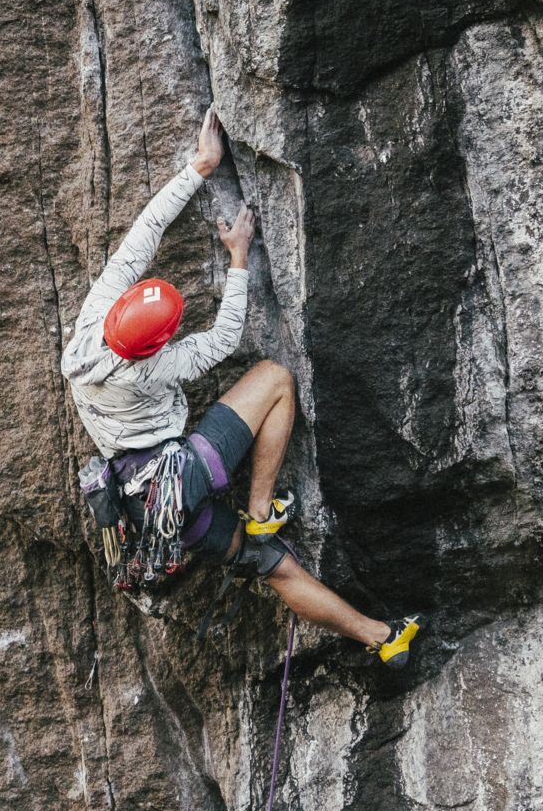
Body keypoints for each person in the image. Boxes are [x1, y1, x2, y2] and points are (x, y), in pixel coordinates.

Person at [64, 107, 420, 666]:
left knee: (272, 565)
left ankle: (382, 638)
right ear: (154, 345)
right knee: (275, 379)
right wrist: (237, 259)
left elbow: (144, 234)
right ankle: (259, 506)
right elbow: (224, 339)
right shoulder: (150, 365)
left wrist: (198, 168)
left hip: (148, 512)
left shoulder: (89, 328)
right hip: (179, 475)